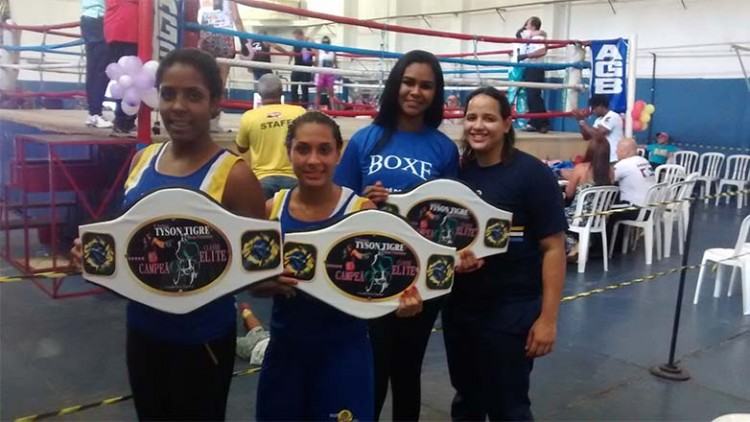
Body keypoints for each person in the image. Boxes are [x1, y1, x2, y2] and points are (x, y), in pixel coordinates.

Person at [72, 48, 265, 420]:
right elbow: (128, 246)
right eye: (168, 93)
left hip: (204, 339)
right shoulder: (142, 161)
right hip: (143, 333)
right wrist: (95, 257)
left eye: (193, 95)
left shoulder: (235, 176)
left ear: (213, 103)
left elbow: (260, 269)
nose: (178, 105)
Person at [252, 111, 423, 421]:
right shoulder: (271, 210)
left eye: (324, 149)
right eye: (303, 148)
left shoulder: (362, 211)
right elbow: (252, 284)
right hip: (285, 353)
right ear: (289, 150)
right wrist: (269, 282)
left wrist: (403, 302)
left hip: (344, 355)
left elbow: (384, 278)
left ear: (338, 153)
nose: (313, 160)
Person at [334, 49, 459, 421]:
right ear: (395, 85)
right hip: (367, 272)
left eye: (426, 85)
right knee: (371, 370)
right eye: (408, 82)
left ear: (436, 93)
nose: (415, 92)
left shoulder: (444, 148)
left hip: (418, 276)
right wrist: (361, 202)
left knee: (407, 369)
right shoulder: (364, 140)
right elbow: (339, 205)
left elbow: (449, 219)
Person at [443, 86, 566, 420]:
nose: (478, 126)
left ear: (507, 124)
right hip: (461, 309)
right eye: (471, 117)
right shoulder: (457, 174)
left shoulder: (531, 174)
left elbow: (554, 247)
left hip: (511, 311)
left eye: (489, 118)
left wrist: (548, 320)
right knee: (467, 398)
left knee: (507, 405)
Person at [235, 73, 306, 198]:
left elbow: (241, 147)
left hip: (262, 179)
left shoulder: (249, 117)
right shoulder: (299, 112)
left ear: (259, 94)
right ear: (282, 91)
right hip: (294, 178)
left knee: (260, 217)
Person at [196, 0, 245, 132]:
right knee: (220, 82)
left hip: (206, 37)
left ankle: (201, 120)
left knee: (204, 82)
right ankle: (213, 122)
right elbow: (236, 19)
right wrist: (244, 42)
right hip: (224, 38)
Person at [562, 136, 613, 258]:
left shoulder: (581, 169)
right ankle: (581, 243)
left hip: (578, 217)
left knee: (550, 214)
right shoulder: (611, 172)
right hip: (599, 219)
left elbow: (569, 193)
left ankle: (570, 244)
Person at [104, 0, 139, 135]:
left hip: (121, 27)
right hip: (127, 29)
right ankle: (123, 121)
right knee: (129, 79)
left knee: (125, 78)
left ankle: (124, 121)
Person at [81, 0, 112, 128]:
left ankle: (93, 113)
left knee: (93, 67)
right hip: (98, 18)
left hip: (88, 18)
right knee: (100, 68)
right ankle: (95, 113)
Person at [517, 17, 549, 133]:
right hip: (529, 68)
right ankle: (534, 122)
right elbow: (518, 34)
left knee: (534, 96)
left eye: (527, 24)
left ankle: (543, 123)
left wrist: (527, 56)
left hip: (535, 68)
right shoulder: (530, 37)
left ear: (534, 26)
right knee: (530, 97)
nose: (525, 26)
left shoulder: (538, 37)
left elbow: (542, 51)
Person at [574, 94, 624, 163]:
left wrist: (583, 122)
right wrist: (581, 121)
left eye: (594, 108)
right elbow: (586, 137)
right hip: (602, 158)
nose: (593, 111)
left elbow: (598, 135)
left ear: (601, 106)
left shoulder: (613, 116)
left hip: (613, 158)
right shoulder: (598, 120)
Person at [614, 137, 656, 207]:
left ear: (625, 151)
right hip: (650, 208)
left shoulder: (624, 163)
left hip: (635, 209)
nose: (616, 152)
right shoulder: (644, 161)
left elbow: (606, 180)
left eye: (618, 149)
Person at [289, 28, 313, 106]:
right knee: (293, 86)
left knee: (304, 87)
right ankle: (294, 104)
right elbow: (293, 51)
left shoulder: (309, 41)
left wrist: (307, 52)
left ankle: (304, 106)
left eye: (296, 36)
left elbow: (315, 51)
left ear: (300, 35)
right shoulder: (296, 42)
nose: (295, 38)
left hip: (306, 67)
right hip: (297, 66)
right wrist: (289, 61)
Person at [315, 35, 337, 110]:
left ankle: (334, 111)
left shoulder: (332, 52)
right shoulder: (319, 51)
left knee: (331, 94)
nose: (325, 44)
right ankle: (316, 111)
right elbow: (316, 63)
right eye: (324, 42)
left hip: (330, 74)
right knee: (318, 93)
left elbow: (335, 63)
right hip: (320, 73)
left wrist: (337, 72)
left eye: (327, 43)